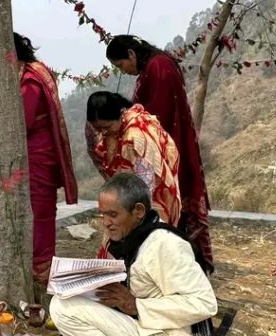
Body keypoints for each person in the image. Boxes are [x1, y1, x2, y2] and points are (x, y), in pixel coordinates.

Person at [49, 173, 217, 336]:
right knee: (70, 299)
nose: (105, 222)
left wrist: (135, 305)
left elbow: (204, 304)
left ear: (138, 211)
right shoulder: (131, 239)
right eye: (103, 215)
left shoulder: (166, 245)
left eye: (113, 214)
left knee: (62, 307)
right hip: (147, 329)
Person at [105, 34, 213, 271]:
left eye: (121, 65)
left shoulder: (159, 67)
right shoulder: (153, 67)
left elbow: (156, 119)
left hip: (164, 153)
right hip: (162, 151)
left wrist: (132, 128)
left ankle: (182, 268)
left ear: (131, 54)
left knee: (169, 213)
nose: (123, 71)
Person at [85, 91, 182, 258]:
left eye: (106, 128)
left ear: (120, 114)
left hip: (150, 201)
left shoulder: (135, 138)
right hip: (129, 197)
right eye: (98, 129)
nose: (103, 134)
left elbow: (146, 186)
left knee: (142, 250)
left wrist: (128, 212)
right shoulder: (124, 124)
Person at [15, 33, 79, 282]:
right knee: (41, 209)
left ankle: (41, 267)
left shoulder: (29, 81)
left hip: (38, 154)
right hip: (42, 152)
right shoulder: (37, 72)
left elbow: (23, 121)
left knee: (39, 210)